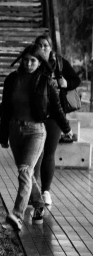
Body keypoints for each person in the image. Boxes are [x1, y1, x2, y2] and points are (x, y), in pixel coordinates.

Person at [0, 44, 72, 231]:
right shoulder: (12, 79)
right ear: (21, 60)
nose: (29, 63)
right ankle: (38, 204)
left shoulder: (45, 81)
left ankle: (17, 215)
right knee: (27, 174)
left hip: (36, 131)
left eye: (34, 60)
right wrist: (3, 135)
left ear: (40, 63)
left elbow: (56, 107)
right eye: (26, 60)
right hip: (15, 129)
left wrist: (66, 128)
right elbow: (6, 108)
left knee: (24, 171)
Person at [33, 35, 81, 207]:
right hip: (35, 115)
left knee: (49, 152)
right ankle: (34, 190)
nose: (43, 48)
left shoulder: (60, 63)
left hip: (55, 114)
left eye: (46, 45)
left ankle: (46, 191)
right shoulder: (32, 62)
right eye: (40, 45)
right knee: (35, 154)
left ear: (51, 48)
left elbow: (77, 80)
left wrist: (66, 83)